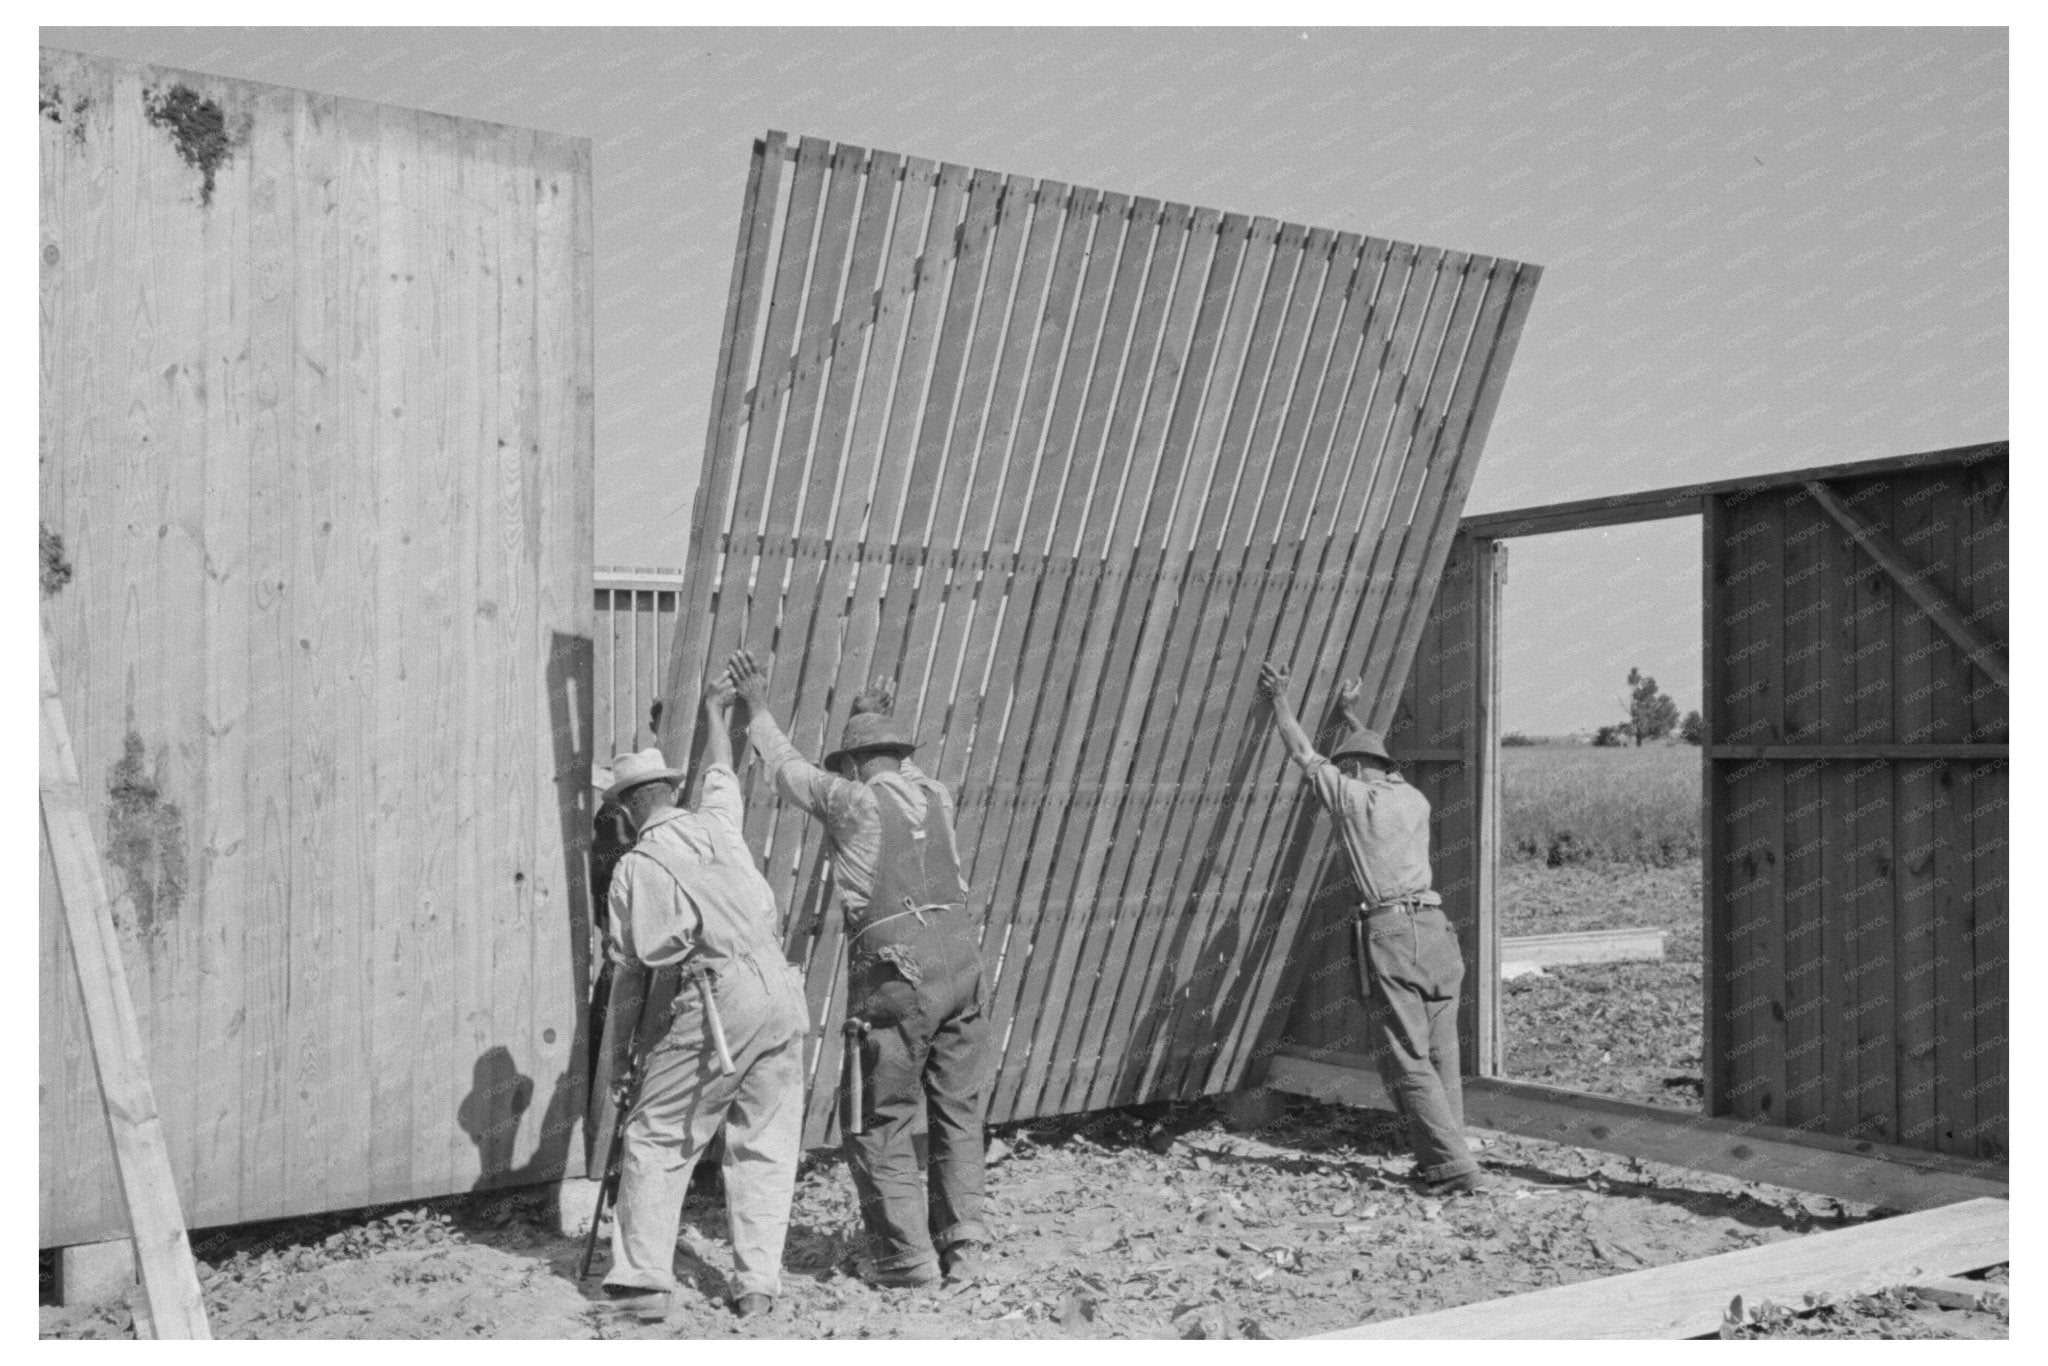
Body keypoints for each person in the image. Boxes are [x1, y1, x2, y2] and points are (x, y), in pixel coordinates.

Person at [726, 649, 992, 1288]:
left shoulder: (852, 801)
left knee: (879, 1114)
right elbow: (891, 764)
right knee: (957, 1107)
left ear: (848, 765)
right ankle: (966, 1247)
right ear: (902, 754)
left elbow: (788, 771)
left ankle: (906, 1261)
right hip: (962, 959)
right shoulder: (937, 795)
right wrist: (869, 718)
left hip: (900, 970)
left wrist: (758, 707)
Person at [597, 675, 812, 1319]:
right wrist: (718, 711)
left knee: (658, 1133)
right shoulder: (719, 825)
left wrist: (622, 1062)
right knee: (766, 1139)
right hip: (781, 987)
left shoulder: (635, 868)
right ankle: (757, 1288)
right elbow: (722, 771)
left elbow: (630, 977)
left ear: (628, 809)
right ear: (668, 792)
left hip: (719, 999)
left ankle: (640, 1285)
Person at [1256, 663, 1485, 1196]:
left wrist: (1280, 701)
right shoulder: (1414, 798)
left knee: (1405, 1060)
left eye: (1348, 766)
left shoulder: (1354, 801)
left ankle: (1453, 1169)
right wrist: (1348, 716)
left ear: (1356, 768)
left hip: (1393, 936)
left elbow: (1302, 754)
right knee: (1440, 1056)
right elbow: (1371, 755)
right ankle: (1450, 1155)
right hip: (1439, 934)